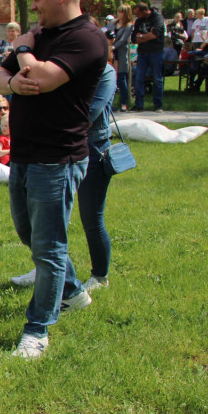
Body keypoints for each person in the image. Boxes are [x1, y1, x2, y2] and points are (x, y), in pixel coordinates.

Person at [0, 0, 109, 359]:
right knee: (30, 234)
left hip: (58, 158)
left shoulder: (88, 39)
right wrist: (12, 82)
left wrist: (22, 50)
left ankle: (37, 329)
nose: (34, 7)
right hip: (24, 153)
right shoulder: (39, 35)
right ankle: (73, 292)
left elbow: (42, 77)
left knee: (49, 246)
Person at [77, 62, 117, 293]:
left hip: (93, 149)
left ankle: (100, 276)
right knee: (51, 216)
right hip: (61, 146)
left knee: (91, 217)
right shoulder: (67, 65)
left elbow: (89, 113)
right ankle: (50, 268)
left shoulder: (105, 71)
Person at [131, 2, 165, 112]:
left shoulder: (157, 18)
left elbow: (155, 34)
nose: (137, 16)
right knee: (139, 78)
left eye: (138, 13)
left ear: (145, 11)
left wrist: (141, 36)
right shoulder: (139, 21)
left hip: (155, 51)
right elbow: (134, 38)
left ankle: (158, 104)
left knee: (157, 79)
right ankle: (139, 104)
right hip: (142, 52)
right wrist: (145, 36)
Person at [112, 4, 133, 111]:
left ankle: (124, 103)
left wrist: (113, 46)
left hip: (120, 54)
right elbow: (106, 31)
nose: (119, 14)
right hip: (111, 54)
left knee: (122, 79)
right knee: (112, 78)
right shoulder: (114, 23)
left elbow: (123, 40)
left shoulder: (128, 26)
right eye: (119, 11)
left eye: (122, 12)